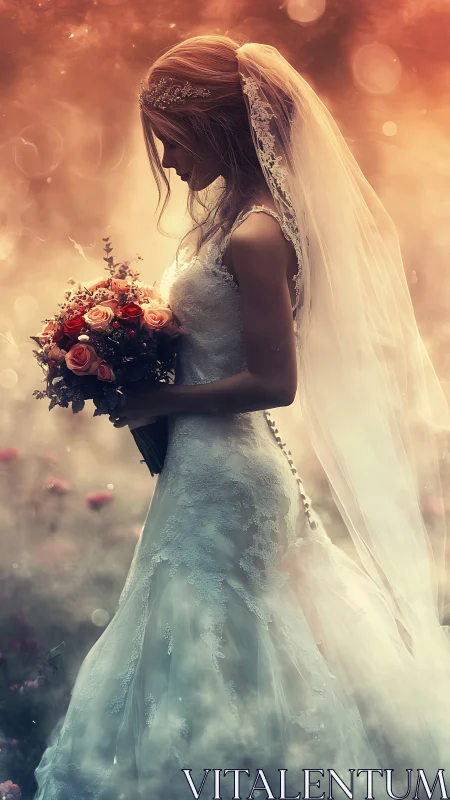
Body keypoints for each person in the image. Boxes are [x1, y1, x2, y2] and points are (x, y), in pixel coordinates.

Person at [34, 35, 450, 800]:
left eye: (172, 139)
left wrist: (161, 399)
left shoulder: (258, 234)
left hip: (230, 469)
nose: (165, 161)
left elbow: (274, 382)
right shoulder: (226, 224)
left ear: (217, 124)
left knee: (217, 629)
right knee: (206, 629)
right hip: (204, 462)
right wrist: (129, 355)